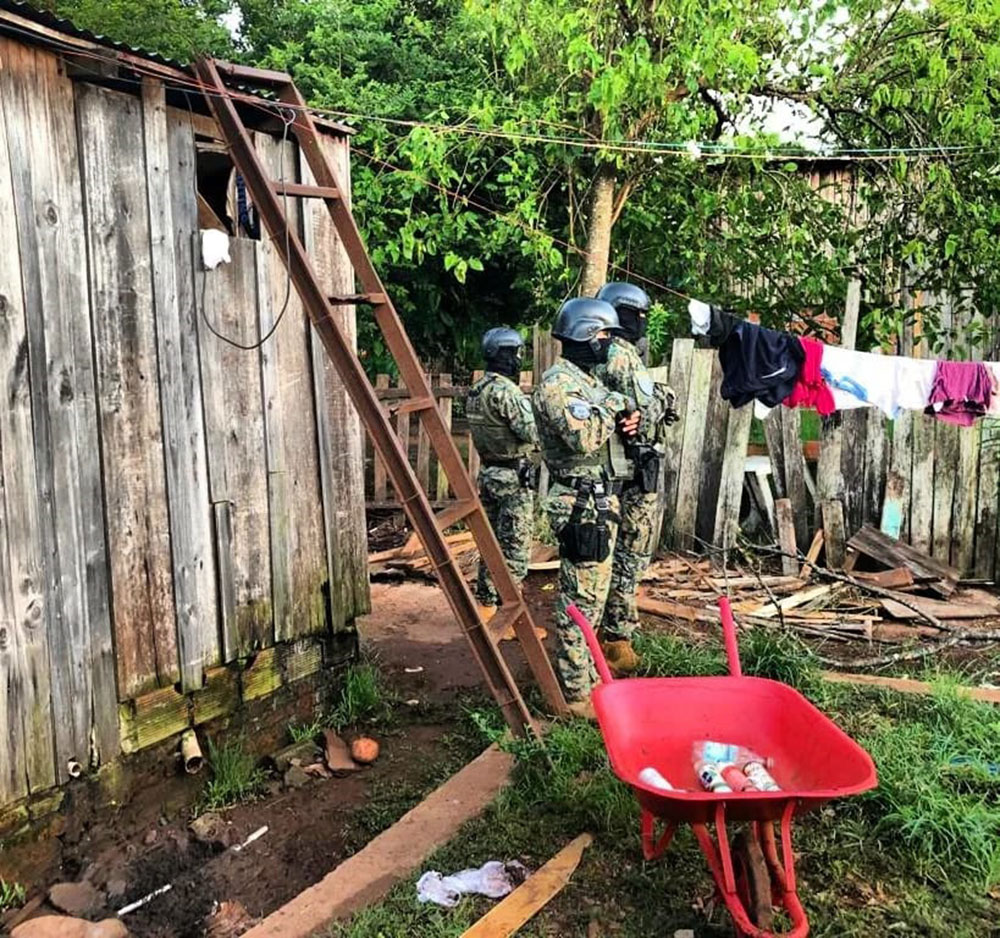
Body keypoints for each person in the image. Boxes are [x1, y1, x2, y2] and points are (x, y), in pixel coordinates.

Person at [533, 298, 640, 716]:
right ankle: (575, 693)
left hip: (598, 498)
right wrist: (614, 405)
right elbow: (584, 437)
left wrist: (627, 418)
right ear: (585, 335)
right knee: (580, 598)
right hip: (579, 503)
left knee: (593, 596)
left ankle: (588, 675)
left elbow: (611, 423)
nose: (609, 342)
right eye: (604, 335)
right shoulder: (558, 385)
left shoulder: (587, 381)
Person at [593, 283, 678, 674]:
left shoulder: (591, 352)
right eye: (639, 315)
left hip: (605, 471)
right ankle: (617, 639)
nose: (643, 322)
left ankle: (596, 632)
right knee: (630, 553)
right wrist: (664, 398)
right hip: (631, 471)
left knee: (597, 554)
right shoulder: (621, 355)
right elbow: (644, 416)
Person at [467, 327, 545, 640]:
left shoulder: (476, 390)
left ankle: (486, 606)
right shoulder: (507, 392)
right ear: (507, 355)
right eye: (515, 352)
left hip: (488, 473)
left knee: (490, 544)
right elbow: (532, 433)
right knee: (514, 550)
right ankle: (511, 620)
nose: (518, 358)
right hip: (513, 479)